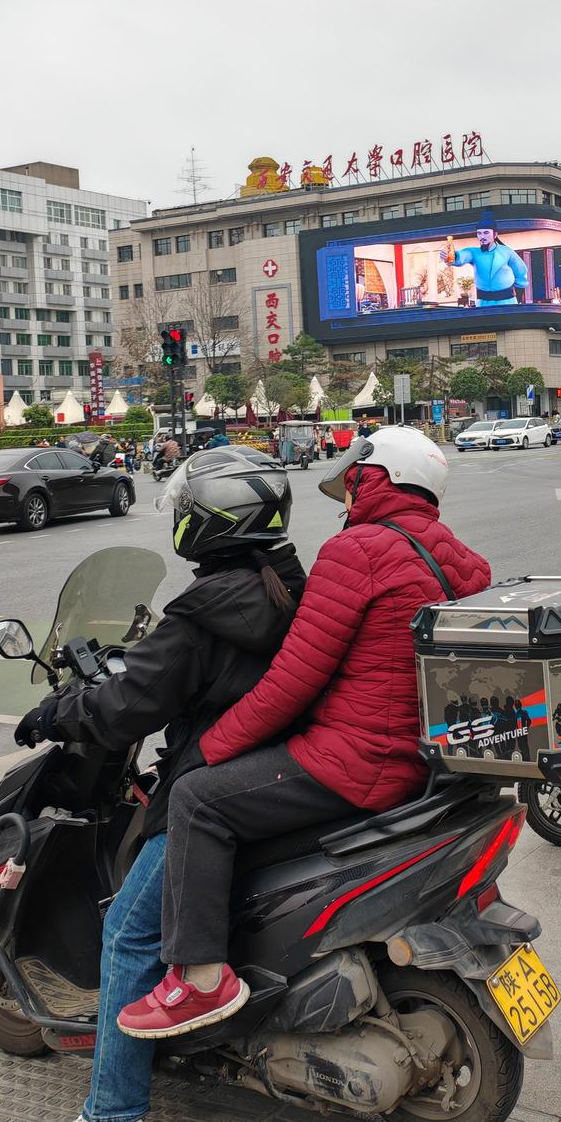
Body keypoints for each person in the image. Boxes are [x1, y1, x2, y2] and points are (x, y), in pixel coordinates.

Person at [114, 427, 491, 1044]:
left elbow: (292, 682)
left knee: (197, 799)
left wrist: (206, 753)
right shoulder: (457, 555)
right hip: (423, 759)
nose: (345, 497)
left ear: (376, 481)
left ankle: (203, 979)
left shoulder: (358, 551)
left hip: (355, 759)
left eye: (353, 482)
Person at [28, 446, 304, 1122]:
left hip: (215, 778)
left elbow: (127, 706)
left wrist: (60, 712)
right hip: (278, 766)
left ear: (208, 522)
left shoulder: (203, 613)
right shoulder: (287, 584)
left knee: (126, 932)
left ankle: (114, 1120)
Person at [442, 223, 530, 306]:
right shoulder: (474, 252)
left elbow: (521, 272)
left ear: (495, 235)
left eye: (486, 233)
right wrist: (452, 256)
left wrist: (518, 296)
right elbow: (463, 256)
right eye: (479, 233)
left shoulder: (507, 251)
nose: (482, 237)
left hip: (508, 301)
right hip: (483, 303)